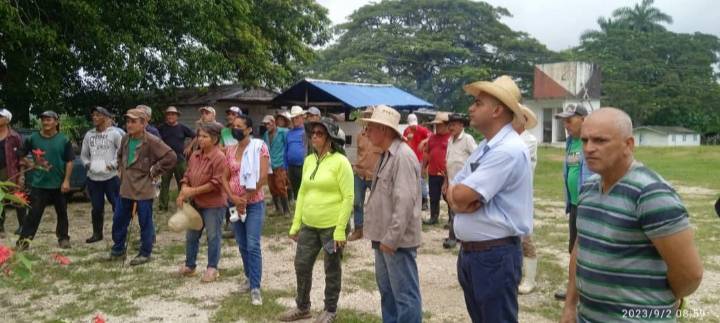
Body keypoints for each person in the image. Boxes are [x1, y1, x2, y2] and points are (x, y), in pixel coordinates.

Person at [560, 108, 703, 323]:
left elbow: (690, 274)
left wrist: (657, 301)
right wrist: (570, 306)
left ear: (628, 145)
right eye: (585, 140)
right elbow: (581, 249)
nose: (588, 148)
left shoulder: (651, 194)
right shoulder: (588, 188)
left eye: (600, 140)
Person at [446, 75, 532, 322]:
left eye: (478, 102)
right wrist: (460, 199)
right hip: (477, 254)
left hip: (495, 255)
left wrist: (460, 197)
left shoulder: (507, 150)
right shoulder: (487, 146)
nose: (471, 108)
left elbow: (460, 193)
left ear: (497, 110)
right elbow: (453, 189)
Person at [279, 117, 353, 323]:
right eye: (312, 133)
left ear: (330, 138)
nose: (314, 137)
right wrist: (295, 224)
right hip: (309, 226)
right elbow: (302, 192)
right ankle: (303, 307)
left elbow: (348, 197)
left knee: (331, 268)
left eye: (319, 133)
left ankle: (330, 310)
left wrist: (340, 230)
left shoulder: (341, 162)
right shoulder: (309, 160)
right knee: (301, 265)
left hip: (332, 228)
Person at [362, 105, 423, 323]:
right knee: (388, 294)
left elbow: (404, 202)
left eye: (371, 127)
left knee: (405, 296)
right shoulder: (386, 155)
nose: (366, 131)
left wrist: (392, 238)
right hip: (383, 238)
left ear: (385, 130)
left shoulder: (403, 157)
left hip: (395, 242)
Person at [110, 108, 176, 265]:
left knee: (145, 222)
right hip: (126, 186)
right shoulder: (126, 138)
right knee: (119, 219)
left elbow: (171, 156)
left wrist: (155, 170)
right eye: (128, 121)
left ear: (144, 123)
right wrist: (120, 167)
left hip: (144, 187)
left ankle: (145, 252)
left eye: (133, 121)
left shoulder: (152, 140)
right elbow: (120, 155)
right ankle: (118, 248)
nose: (129, 124)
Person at [222, 115, 270, 305]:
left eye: (239, 126)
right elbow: (224, 177)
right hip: (234, 204)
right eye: (233, 126)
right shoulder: (230, 150)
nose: (235, 129)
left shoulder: (260, 148)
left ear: (249, 129)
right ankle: (249, 277)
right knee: (241, 243)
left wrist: (245, 199)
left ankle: (256, 287)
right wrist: (233, 198)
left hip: (254, 203)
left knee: (252, 244)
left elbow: (264, 178)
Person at [176, 122, 227, 282]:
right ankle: (190, 266)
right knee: (192, 235)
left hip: (214, 205)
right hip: (196, 204)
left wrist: (192, 191)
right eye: (199, 136)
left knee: (213, 236)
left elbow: (216, 183)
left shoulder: (219, 157)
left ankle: (212, 268)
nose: (200, 139)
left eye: (205, 136)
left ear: (215, 138)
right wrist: (183, 191)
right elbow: (187, 175)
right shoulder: (194, 155)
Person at [553, 104, 594, 301]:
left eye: (569, 120)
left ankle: (588, 291)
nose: (566, 125)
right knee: (574, 248)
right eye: (564, 122)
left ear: (584, 119)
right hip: (575, 204)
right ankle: (574, 290)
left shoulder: (593, 141)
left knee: (590, 250)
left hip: (591, 205)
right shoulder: (570, 142)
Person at [16, 111, 74, 250]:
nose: (46, 122)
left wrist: (66, 181)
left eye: (49, 120)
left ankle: (63, 238)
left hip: (58, 183)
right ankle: (23, 242)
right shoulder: (32, 138)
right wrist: (31, 165)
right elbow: (20, 155)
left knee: (62, 213)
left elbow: (70, 161)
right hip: (38, 183)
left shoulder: (64, 140)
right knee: (34, 214)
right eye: (43, 120)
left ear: (56, 122)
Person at [81, 106, 123, 243]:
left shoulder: (115, 134)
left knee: (117, 205)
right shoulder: (89, 135)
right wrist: (89, 165)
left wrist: (113, 164)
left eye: (98, 115)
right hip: (93, 178)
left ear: (106, 117)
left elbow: (122, 151)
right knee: (97, 207)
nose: (94, 118)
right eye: (93, 115)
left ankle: (119, 233)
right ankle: (97, 233)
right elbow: (84, 155)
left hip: (111, 177)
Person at [513, 105, 539, 294]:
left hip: (522, 195)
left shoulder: (529, 140)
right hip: (509, 196)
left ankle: (530, 279)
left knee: (525, 237)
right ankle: (515, 274)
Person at [441, 113, 476, 249]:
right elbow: (448, 163)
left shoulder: (468, 139)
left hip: (464, 183)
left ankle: (452, 238)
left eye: (454, 124)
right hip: (452, 182)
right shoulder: (450, 141)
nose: (451, 127)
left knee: (459, 211)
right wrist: (446, 182)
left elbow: (477, 159)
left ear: (462, 125)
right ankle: (458, 235)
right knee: (453, 210)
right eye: (450, 124)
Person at [348, 106, 382, 242]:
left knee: (378, 204)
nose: (368, 118)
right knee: (357, 202)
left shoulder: (380, 137)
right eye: (366, 115)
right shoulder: (359, 136)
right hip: (359, 173)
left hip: (375, 175)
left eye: (371, 115)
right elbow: (359, 154)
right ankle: (358, 230)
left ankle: (378, 230)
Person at [157, 106, 196, 212]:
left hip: (180, 160)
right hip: (166, 160)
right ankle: (163, 206)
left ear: (177, 116)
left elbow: (195, 136)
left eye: (173, 114)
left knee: (182, 182)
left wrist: (189, 147)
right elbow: (156, 140)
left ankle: (183, 205)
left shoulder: (182, 127)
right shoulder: (161, 128)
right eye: (168, 114)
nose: (170, 116)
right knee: (164, 183)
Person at [0, 108, 27, 238]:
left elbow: (22, 158)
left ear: (7, 119)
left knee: (18, 198)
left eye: (0, 116)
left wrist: (21, 175)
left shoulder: (15, 136)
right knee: (0, 200)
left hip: (11, 171)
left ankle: (23, 226)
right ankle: (0, 228)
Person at [421, 112, 451, 225]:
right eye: (436, 125)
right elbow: (426, 153)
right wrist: (423, 167)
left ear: (447, 125)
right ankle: (434, 217)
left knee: (448, 198)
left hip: (445, 173)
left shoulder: (451, 138)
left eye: (439, 125)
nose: (437, 127)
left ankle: (451, 220)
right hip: (433, 172)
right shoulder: (432, 138)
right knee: (433, 196)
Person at [261, 115, 290, 216]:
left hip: (280, 163)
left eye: (268, 123)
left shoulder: (283, 132)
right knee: (272, 187)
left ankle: (286, 210)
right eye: (265, 124)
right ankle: (278, 209)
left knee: (281, 186)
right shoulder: (265, 134)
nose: (267, 126)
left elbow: (288, 145)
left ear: (273, 122)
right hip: (270, 164)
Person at [403, 113, 431, 210]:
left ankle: (424, 200)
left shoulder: (422, 130)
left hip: (420, 158)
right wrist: (407, 139)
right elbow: (403, 143)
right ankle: (413, 200)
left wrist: (423, 141)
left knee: (421, 180)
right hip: (410, 159)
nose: (413, 127)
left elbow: (431, 137)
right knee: (410, 179)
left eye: (414, 125)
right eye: (411, 125)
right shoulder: (406, 131)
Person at [285, 105, 306, 201]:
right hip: (291, 167)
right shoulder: (289, 133)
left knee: (304, 189)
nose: (295, 120)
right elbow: (286, 150)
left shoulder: (306, 132)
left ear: (302, 118)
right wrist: (285, 167)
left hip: (303, 166)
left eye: (297, 118)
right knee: (295, 189)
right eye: (293, 118)